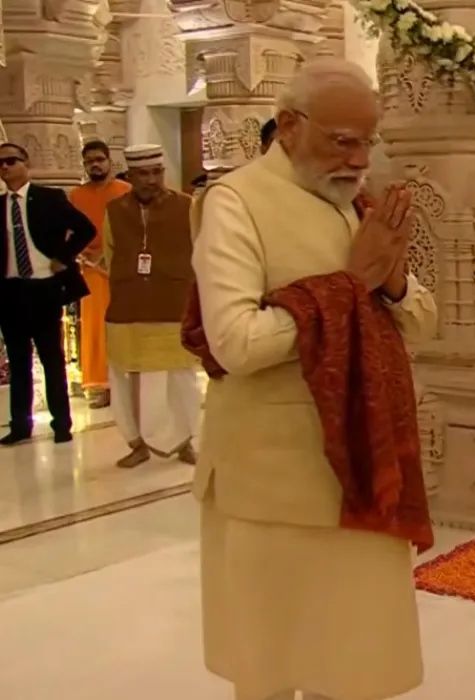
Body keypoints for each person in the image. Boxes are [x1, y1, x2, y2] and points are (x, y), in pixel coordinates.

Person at [190, 58, 437, 700]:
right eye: (343, 140)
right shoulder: (236, 201)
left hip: (363, 466)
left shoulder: (355, 203)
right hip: (273, 482)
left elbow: (422, 321)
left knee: (353, 667)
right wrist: (349, 286)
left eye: (368, 141)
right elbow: (235, 343)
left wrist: (390, 281)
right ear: (290, 126)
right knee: (273, 668)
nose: (359, 159)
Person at [102, 144, 202, 468]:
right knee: (127, 378)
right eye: (143, 174)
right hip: (128, 308)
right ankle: (137, 443)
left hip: (173, 304)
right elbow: (110, 253)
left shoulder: (187, 206)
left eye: (157, 172)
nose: (151, 180)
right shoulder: (114, 210)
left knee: (179, 378)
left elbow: (201, 250)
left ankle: (184, 441)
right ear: (130, 176)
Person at [0, 142, 95, 445]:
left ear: (25, 162)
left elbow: (86, 229)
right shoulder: (0, 205)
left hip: (43, 287)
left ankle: (61, 424)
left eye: (11, 161)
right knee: (19, 362)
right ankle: (20, 424)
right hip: (10, 290)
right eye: (0, 163)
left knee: (51, 358)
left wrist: (63, 257)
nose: (5, 167)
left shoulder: (48, 198)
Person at [68, 140, 132, 410]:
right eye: (89, 161)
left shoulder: (125, 191)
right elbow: (68, 233)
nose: (95, 165)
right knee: (95, 327)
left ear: (109, 162)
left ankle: (126, 383)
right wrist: (86, 255)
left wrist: (109, 253)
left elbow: (134, 227)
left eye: (99, 160)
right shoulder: (75, 196)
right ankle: (99, 384)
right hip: (91, 269)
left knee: (125, 326)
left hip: (123, 267)